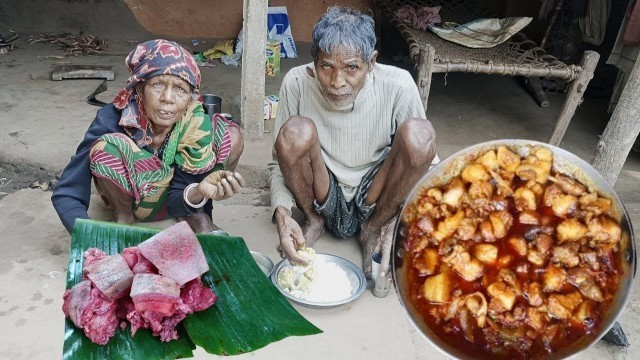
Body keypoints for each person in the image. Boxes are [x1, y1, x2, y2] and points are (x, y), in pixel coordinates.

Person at [269, 7, 438, 284]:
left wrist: (396, 221)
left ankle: (372, 229)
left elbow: (427, 166)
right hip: (322, 190)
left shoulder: (398, 85)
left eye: (351, 67)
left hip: (377, 194)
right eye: (326, 67)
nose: (337, 82)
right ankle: (314, 220)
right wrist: (283, 214)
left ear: (371, 63)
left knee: (420, 135)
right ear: (314, 62)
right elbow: (279, 162)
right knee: (294, 133)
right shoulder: (297, 82)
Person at [52, 39, 245, 234]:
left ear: (190, 98)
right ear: (140, 89)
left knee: (230, 135)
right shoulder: (111, 119)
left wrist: (198, 192)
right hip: (135, 199)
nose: (168, 98)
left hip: (178, 198)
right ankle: (124, 219)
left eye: (180, 89)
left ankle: (194, 213)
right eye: (158, 84)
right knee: (107, 149)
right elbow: (68, 192)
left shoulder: (194, 124)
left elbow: (178, 193)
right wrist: (87, 235)